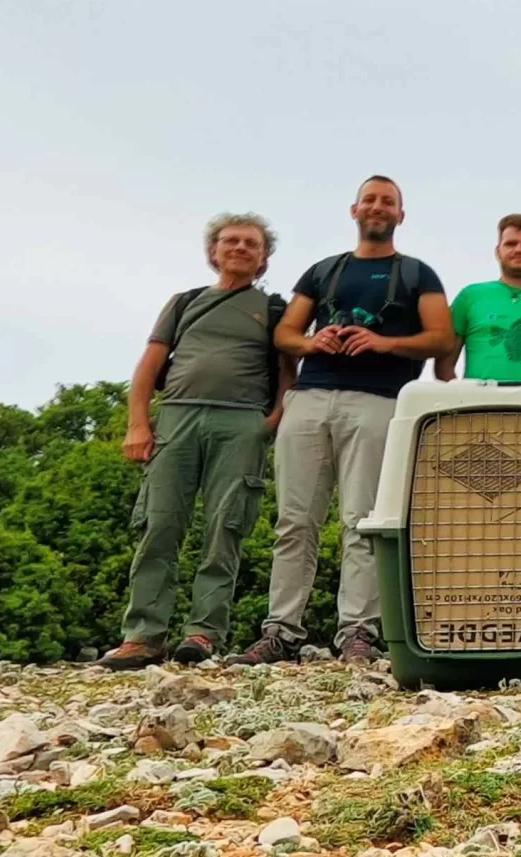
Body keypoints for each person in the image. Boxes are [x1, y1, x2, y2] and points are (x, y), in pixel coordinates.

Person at [235, 176, 452, 667]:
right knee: (294, 521)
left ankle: (357, 630)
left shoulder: (416, 274)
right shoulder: (324, 270)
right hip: (311, 397)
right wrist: (313, 342)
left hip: (377, 401)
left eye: (388, 202)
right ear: (354, 210)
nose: (378, 207)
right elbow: (287, 333)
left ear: (400, 215)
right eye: (370, 199)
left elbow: (441, 338)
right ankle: (281, 630)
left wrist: (385, 342)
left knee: (362, 520)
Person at [101, 213, 292, 668]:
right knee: (158, 524)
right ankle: (143, 635)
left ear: (264, 258)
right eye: (231, 240)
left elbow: (289, 372)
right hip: (176, 416)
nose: (240, 248)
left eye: (251, 243)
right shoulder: (184, 303)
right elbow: (149, 365)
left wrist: (270, 422)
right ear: (213, 251)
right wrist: (137, 423)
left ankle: (204, 633)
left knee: (226, 528)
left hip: (241, 421)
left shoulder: (274, 309)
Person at [443, 214, 521, 385]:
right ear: (498, 252)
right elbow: (443, 366)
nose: (519, 249)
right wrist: (460, 398)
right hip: (476, 401)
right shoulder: (470, 296)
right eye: (511, 243)